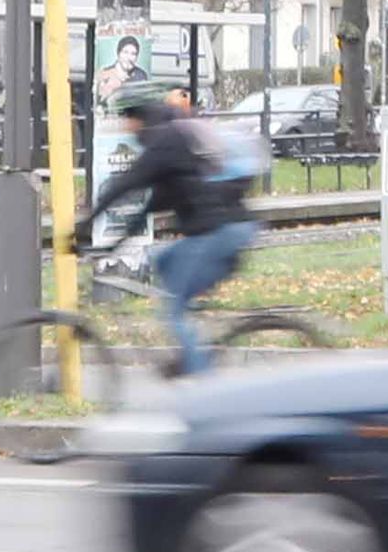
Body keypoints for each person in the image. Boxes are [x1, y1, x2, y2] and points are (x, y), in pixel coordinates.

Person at [80, 80, 259, 369]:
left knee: (171, 312)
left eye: (126, 119)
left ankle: (201, 378)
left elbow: (123, 186)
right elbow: (146, 209)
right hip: (226, 229)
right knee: (162, 260)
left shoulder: (164, 143)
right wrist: (111, 246)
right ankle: (192, 329)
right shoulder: (170, 146)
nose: (125, 127)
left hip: (220, 232)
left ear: (137, 117)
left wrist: (83, 225)